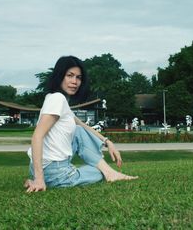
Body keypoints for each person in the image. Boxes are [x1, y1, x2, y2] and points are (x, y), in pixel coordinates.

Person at [24, 56, 138, 193]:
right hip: (55, 172)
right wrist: (39, 180)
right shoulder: (57, 99)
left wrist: (108, 142)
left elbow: (82, 126)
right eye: (69, 76)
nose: (74, 82)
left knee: (78, 131)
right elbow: (37, 136)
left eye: (78, 77)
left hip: (45, 168)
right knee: (98, 172)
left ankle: (109, 172)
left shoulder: (56, 99)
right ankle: (109, 173)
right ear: (59, 76)